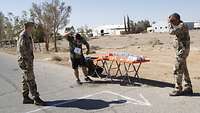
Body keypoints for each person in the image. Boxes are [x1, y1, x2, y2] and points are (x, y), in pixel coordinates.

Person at [17, 22, 45, 105]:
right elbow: (22, 50)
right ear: (28, 27)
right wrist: (27, 61)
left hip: (27, 60)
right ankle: (36, 98)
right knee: (30, 79)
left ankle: (25, 98)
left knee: (25, 79)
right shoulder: (23, 35)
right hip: (25, 61)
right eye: (32, 27)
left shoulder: (27, 35)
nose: (33, 28)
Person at [168, 13, 193, 96]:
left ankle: (178, 89)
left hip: (182, 52)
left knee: (177, 69)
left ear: (178, 19)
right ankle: (188, 87)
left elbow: (171, 32)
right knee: (184, 69)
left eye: (173, 20)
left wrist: (169, 23)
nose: (172, 22)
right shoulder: (180, 25)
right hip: (181, 51)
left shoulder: (182, 26)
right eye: (171, 21)